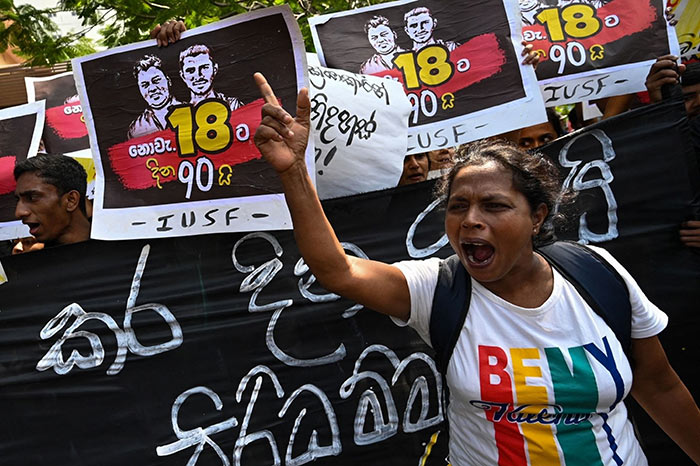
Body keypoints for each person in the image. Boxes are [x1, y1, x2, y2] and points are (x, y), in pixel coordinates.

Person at [252, 72, 700, 465]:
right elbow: (339, 271)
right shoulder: (439, 289)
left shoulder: (597, 274)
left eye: (494, 206)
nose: (470, 220)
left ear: (538, 217)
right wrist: (294, 174)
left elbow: (659, 386)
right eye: (458, 206)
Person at [14, 154, 91, 247]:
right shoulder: (26, 261)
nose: (19, 212)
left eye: (32, 198)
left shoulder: (112, 252)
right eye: (18, 200)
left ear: (71, 200)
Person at [128, 55, 182, 139]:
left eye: (156, 81)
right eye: (145, 85)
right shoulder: (136, 129)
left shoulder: (192, 111)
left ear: (168, 81)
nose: (152, 88)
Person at [179, 44, 243, 111]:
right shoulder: (179, 113)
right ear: (183, 76)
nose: (198, 75)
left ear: (214, 69)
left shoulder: (232, 105)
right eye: (190, 70)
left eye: (204, 68)